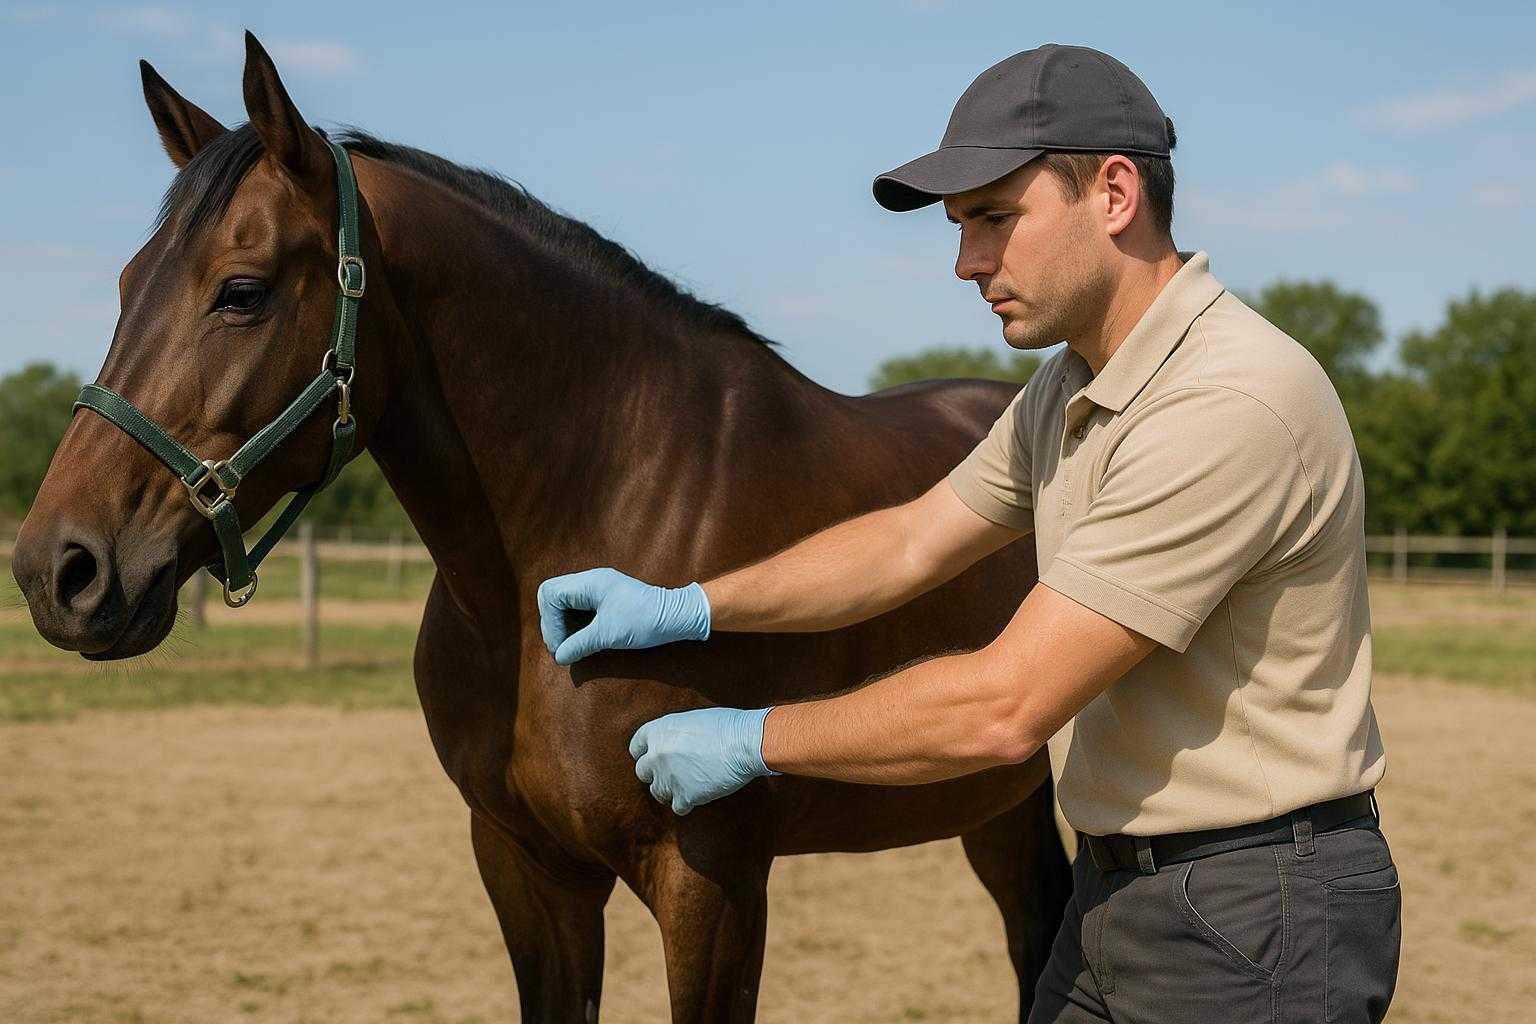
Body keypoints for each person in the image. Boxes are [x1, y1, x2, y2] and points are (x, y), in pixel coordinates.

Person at [537, 43, 1400, 1023]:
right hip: (1116, 893)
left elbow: (1006, 706)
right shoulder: (1069, 390)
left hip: (1255, 915)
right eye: (959, 227)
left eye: (995, 218)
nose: (966, 262)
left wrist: (755, 739)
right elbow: (909, 540)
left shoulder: (1225, 401)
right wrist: (689, 604)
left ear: (1114, 192)